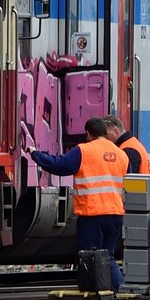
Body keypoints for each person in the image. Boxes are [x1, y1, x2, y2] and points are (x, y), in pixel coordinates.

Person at [31, 117, 129, 291]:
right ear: (105, 134)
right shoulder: (121, 154)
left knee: (89, 257)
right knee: (109, 257)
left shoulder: (84, 151)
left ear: (88, 134)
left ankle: (93, 296)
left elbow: (59, 165)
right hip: (115, 214)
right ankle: (120, 294)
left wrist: (35, 155)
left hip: (92, 215)